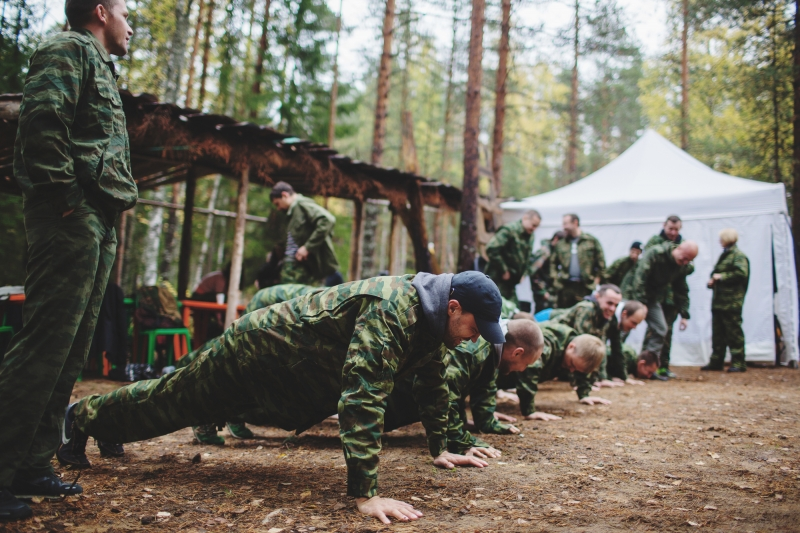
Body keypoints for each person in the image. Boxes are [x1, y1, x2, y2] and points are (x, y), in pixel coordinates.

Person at [57, 272, 505, 525]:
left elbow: (431, 382)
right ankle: (83, 417)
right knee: (172, 401)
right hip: (256, 352)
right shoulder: (394, 308)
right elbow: (362, 395)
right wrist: (365, 494)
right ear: (453, 308)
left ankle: (102, 424)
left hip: (288, 376)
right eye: (472, 327)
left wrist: (442, 445)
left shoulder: (433, 327)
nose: (472, 340)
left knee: (173, 405)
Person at [0, 0, 136, 520]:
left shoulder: (98, 62)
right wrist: (64, 198)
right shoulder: (66, 48)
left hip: (95, 217)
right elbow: (41, 125)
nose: (130, 25)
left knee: (71, 349)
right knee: (43, 345)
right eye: (125, 13)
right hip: (70, 214)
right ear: (100, 11)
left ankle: (31, 464)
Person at [187, 283, 322, 444]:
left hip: (286, 316)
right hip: (268, 305)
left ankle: (231, 414)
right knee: (235, 351)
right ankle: (206, 406)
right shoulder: (332, 304)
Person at [496, 324, 608, 421]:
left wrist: (584, 394)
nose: (571, 370)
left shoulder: (578, 350)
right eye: (572, 364)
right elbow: (530, 369)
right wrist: (529, 411)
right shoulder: (548, 341)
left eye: (576, 369)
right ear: (571, 347)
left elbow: (581, 370)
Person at [628, 240, 698, 380]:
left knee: (661, 329)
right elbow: (640, 277)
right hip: (633, 293)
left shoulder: (680, 266)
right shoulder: (656, 253)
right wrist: (640, 304)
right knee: (625, 326)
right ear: (678, 249)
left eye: (688, 260)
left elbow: (682, 289)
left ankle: (647, 367)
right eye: (684, 258)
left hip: (653, 298)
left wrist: (684, 314)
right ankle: (614, 365)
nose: (685, 262)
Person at [641, 216, 691, 379]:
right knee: (653, 332)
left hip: (671, 300)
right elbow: (644, 270)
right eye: (670, 228)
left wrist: (684, 311)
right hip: (654, 296)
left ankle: (662, 367)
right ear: (664, 226)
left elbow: (682, 283)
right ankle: (645, 366)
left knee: (666, 333)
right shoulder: (654, 243)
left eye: (676, 229)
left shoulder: (682, 247)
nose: (673, 232)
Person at [270, 182, 339, 286]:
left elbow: (328, 220)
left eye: (277, 204)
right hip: (291, 267)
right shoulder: (291, 212)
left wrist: (307, 248)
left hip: (303, 268)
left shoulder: (302, 204)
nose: (278, 208)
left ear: (285, 195)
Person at [703, 229, 749, 372]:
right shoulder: (725, 255)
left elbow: (741, 273)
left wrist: (721, 277)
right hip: (719, 302)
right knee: (718, 334)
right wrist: (712, 281)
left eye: (721, 238)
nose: (719, 241)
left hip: (731, 302)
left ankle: (738, 362)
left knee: (733, 332)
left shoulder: (738, 256)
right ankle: (716, 361)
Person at [550, 214, 605, 309]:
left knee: (583, 313)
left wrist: (595, 283)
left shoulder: (590, 241)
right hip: (565, 287)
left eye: (566, 224)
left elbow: (601, 264)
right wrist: (556, 280)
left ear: (575, 223)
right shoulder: (561, 243)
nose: (564, 227)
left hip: (584, 287)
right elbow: (553, 263)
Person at [484, 210, 541, 301]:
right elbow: (492, 249)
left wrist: (524, 273)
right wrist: (504, 270)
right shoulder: (509, 230)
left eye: (536, 226)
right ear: (525, 218)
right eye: (533, 225)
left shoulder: (530, 236)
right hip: (497, 280)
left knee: (512, 309)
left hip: (511, 282)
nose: (534, 229)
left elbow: (527, 257)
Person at [597, 300, 648, 386]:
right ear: (624, 314)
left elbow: (617, 350)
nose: (634, 327)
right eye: (633, 323)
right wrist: (603, 378)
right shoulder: (608, 318)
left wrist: (624, 377)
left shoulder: (616, 322)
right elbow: (599, 348)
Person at [530, 231, 565, 312]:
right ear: (556, 239)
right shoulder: (545, 252)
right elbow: (533, 273)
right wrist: (542, 292)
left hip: (550, 292)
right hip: (544, 293)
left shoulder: (554, 251)